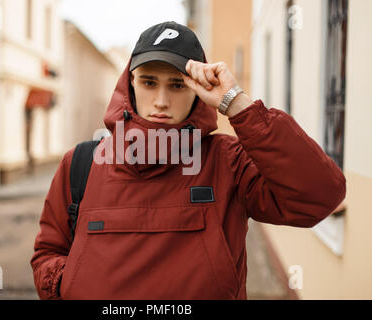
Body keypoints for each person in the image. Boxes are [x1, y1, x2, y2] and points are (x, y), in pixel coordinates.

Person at [30, 21, 346, 300]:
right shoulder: (82, 163)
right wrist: (68, 285)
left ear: (197, 92)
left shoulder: (228, 162)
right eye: (149, 82)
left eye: (178, 85)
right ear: (130, 85)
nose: (162, 101)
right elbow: (49, 251)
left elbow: (318, 196)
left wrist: (236, 102)